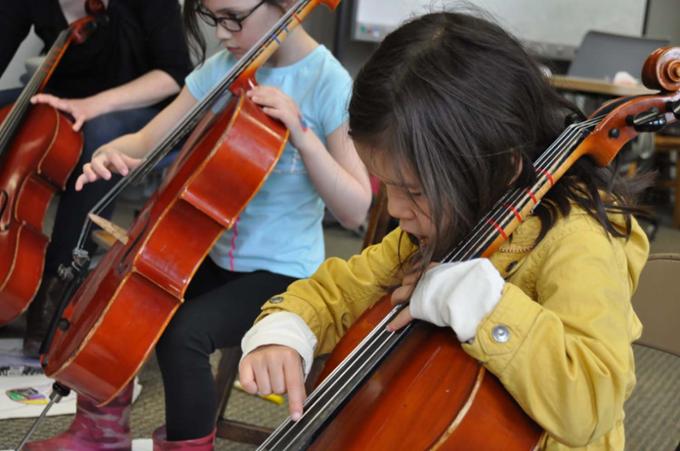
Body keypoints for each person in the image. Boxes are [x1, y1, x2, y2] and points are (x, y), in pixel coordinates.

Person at [239, 11, 650, 450]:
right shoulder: (441, 225)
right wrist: (286, 331)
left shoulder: (578, 242)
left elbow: (592, 401)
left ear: (500, 168)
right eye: (387, 187)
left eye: (413, 191)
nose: (396, 210)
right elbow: (338, 290)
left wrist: (487, 308)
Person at [24, 0, 371, 449]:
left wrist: (303, 137)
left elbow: (356, 208)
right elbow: (148, 141)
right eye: (213, 20)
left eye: (233, 19)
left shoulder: (329, 82)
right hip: (208, 252)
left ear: (286, 6)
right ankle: (102, 432)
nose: (223, 34)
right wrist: (112, 154)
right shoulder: (224, 68)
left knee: (184, 332)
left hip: (284, 272)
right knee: (117, 293)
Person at [0, 0, 193, 356]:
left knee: (95, 141)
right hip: (67, 97)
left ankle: (59, 285)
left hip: (144, 107)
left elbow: (174, 74)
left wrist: (94, 105)